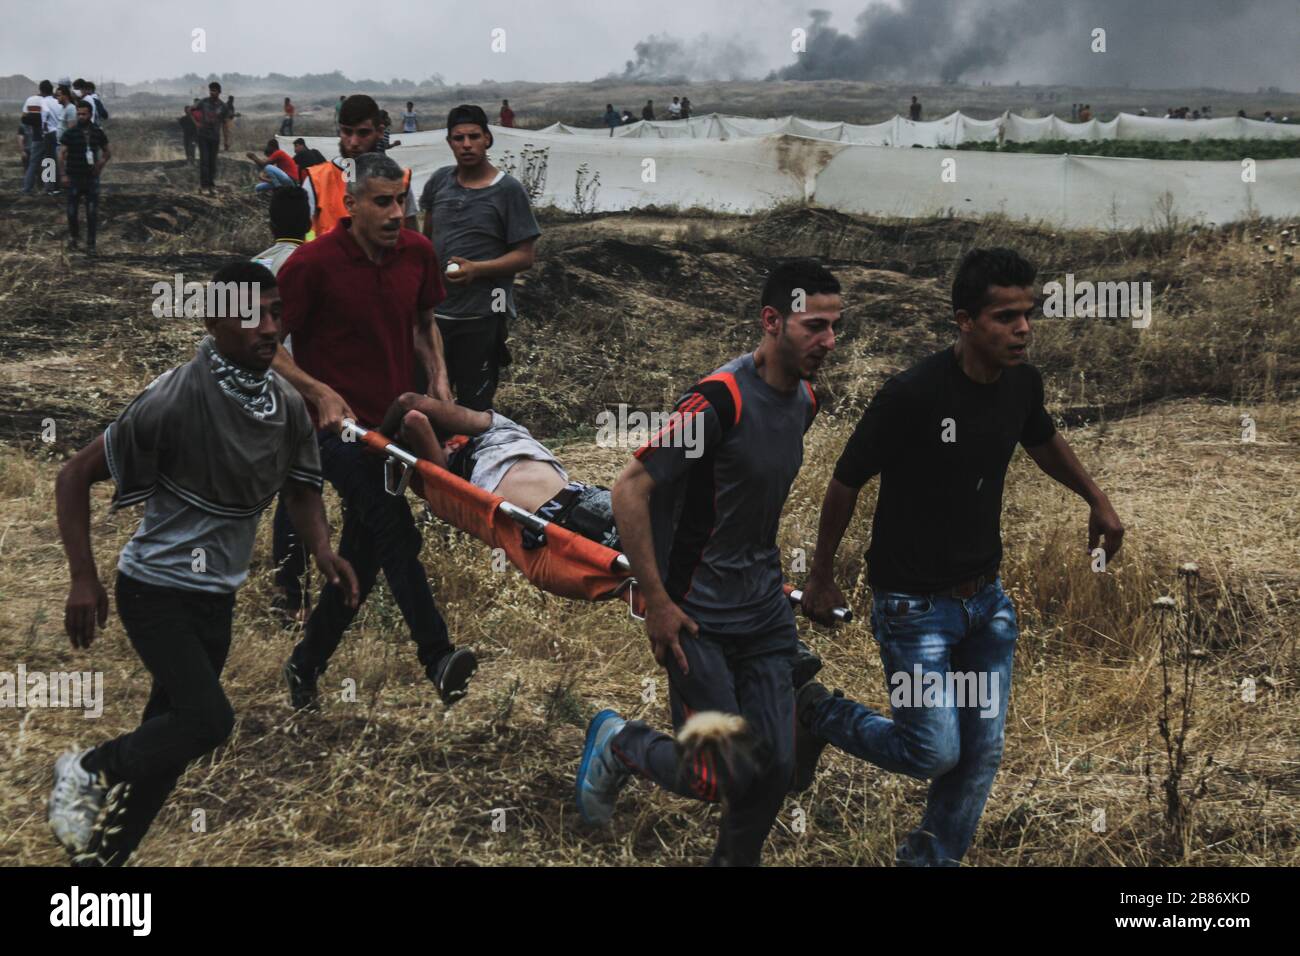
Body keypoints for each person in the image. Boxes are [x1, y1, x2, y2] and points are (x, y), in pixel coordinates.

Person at [797, 248, 1125, 867]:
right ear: (965, 320)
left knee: (981, 753)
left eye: (1028, 315)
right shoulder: (912, 394)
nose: (1022, 329)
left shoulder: (1022, 384)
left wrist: (1097, 500)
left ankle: (929, 860)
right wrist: (819, 576)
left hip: (985, 602)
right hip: (911, 605)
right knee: (931, 752)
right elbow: (846, 480)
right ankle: (816, 712)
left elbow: (1042, 438)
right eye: (1005, 317)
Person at [47, 260, 357, 867]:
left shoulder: (285, 406)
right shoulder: (173, 398)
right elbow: (73, 474)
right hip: (154, 591)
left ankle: (103, 866)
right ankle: (87, 767)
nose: (270, 328)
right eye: (253, 315)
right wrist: (83, 577)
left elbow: (300, 489)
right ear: (215, 321)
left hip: (216, 597)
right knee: (209, 721)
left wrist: (322, 549)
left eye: (276, 313)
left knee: (171, 740)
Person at [574, 260, 841, 867]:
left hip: (766, 615)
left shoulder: (805, 400)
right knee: (716, 774)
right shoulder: (719, 403)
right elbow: (630, 488)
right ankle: (620, 743)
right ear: (772, 321)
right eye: (814, 326)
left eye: (834, 328)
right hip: (698, 615)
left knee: (772, 770)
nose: (828, 342)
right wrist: (658, 602)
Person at [273, 152, 478, 711]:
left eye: (401, 201)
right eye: (382, 202)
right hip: (336, 432)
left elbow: (424, 322)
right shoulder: (312, 265)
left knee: (362, 555)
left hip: (395, 425)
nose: (396, 214)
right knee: (395, 529)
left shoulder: (416, 253)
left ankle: (305, 664)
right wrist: (317, 392)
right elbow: (265, 344)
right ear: (353, 203)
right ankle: (437, 656)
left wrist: (439, 381)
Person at [419, 104, 540, 411]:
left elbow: (525, 256)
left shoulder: (508, 191)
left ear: (488, 139)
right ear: (449, 142)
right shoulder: (438, 182)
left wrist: (477, 269)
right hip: (435, 318)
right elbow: (427, 240)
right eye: (458, 138)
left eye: (474, 136)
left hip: (482, 318)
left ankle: (472, 457)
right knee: (428, 401)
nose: (466, 144)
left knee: (474, 407)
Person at [384, 394, 621, 551]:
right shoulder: (454, 484)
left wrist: (379, 433)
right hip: (554, 525)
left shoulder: (497, 427)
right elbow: (414, 419)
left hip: (582, 501)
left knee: (651, 534)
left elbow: (410, 404)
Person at [252, 187, 314, 622]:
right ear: (309, 220)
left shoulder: (250, 268)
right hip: (307, 388)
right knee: (300, 488)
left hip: (255, 389)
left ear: (270, 224)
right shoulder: (317, 263)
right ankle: (291, 592)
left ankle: (284, 591)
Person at [302, 94, 418, 237]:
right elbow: (303, 238)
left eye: (363, 133)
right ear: (340, 131)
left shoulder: (400, 181)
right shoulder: (317, 182)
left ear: (380, 132)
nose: (354, 142)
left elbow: (413, 242)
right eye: (347, 132)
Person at [60, 99, 111, 256]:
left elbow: (107, 152)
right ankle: (74, 239)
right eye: (78, 114)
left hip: (91, 179)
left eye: (84, 114)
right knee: (71, 212)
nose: (80, 116)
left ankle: (91, 244)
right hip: (74, 177)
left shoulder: (98, 132)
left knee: (91, 212)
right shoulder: (70, 133)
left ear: (90, 114)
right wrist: (63, 174)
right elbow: (61, 154)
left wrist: (99, 166)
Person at [194, 82, 229, 194]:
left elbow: (225, 124)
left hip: (215, 137)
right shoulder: (203, 102)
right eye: (211, 90)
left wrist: (226, 140)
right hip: (203, 136)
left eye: (214, 90)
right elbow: (190, 110)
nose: (212, 92)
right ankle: (204, 186)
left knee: (212, 162)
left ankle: (211, 185)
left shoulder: (223, 106)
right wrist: (197, 123)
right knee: (204, 161)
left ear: (219, 92)